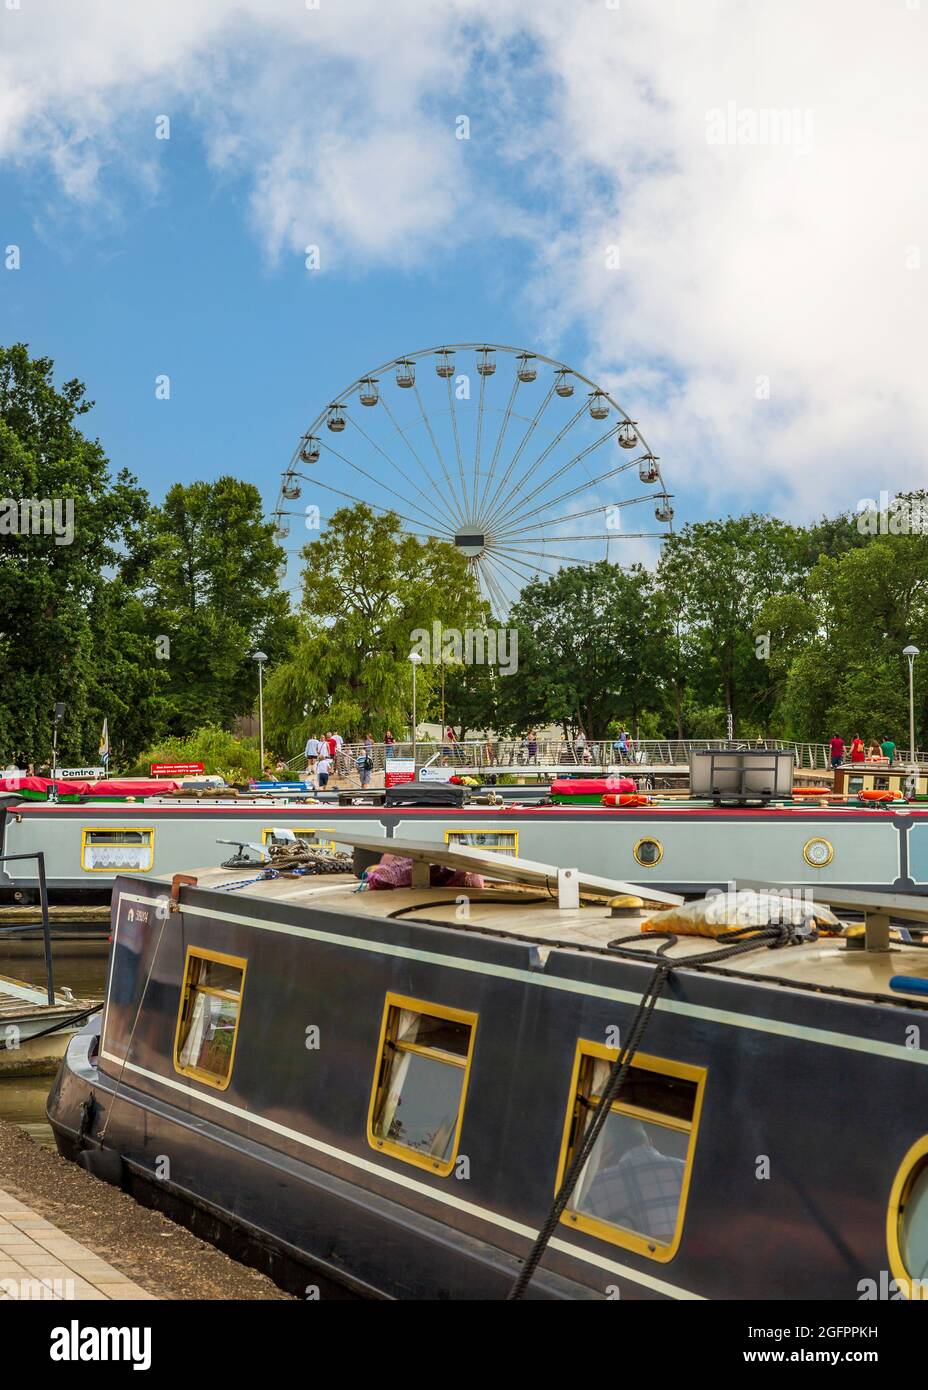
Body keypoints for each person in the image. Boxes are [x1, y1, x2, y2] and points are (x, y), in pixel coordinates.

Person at [581, 1119, 685, 1245]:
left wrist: (593, 1172)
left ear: (605, 1150)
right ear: (650, 1142)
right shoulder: (686, 1170)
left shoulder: (596, 1185)